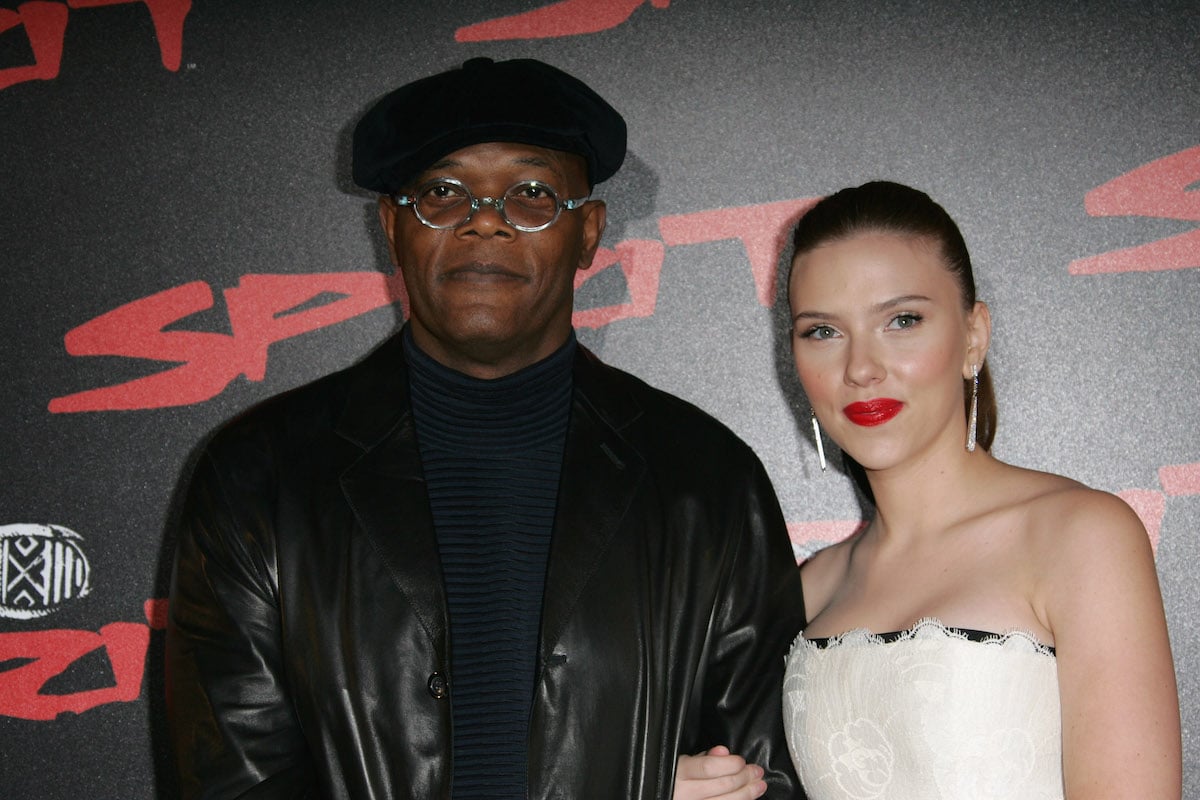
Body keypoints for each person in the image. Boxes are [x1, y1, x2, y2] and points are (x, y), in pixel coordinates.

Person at [164, 57, 807, 800]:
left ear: (589, 232)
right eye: (443, 192)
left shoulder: (705, 479)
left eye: (532, 194)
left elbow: (768, 782)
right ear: (392, 226)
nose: (485, 218)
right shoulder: (260, 479)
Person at [777, 181, 1181, 799]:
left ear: (972, 337)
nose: (860, 367)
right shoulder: (810, 588)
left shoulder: (1080, 537)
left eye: (902, 320)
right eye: (822, 332)